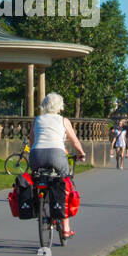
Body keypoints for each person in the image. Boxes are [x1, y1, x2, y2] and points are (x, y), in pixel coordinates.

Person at [30, 92, 87, 238]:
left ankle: (41, 209)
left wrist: (33, 152)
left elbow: (32, 140)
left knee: (37, 180)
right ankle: (66, 228)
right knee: (64, 183)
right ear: (60, 106)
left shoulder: (37, 120)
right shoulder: (63, 120)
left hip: (36, 155)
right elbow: (74, 141)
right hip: (57, 155)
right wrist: (81, 153)